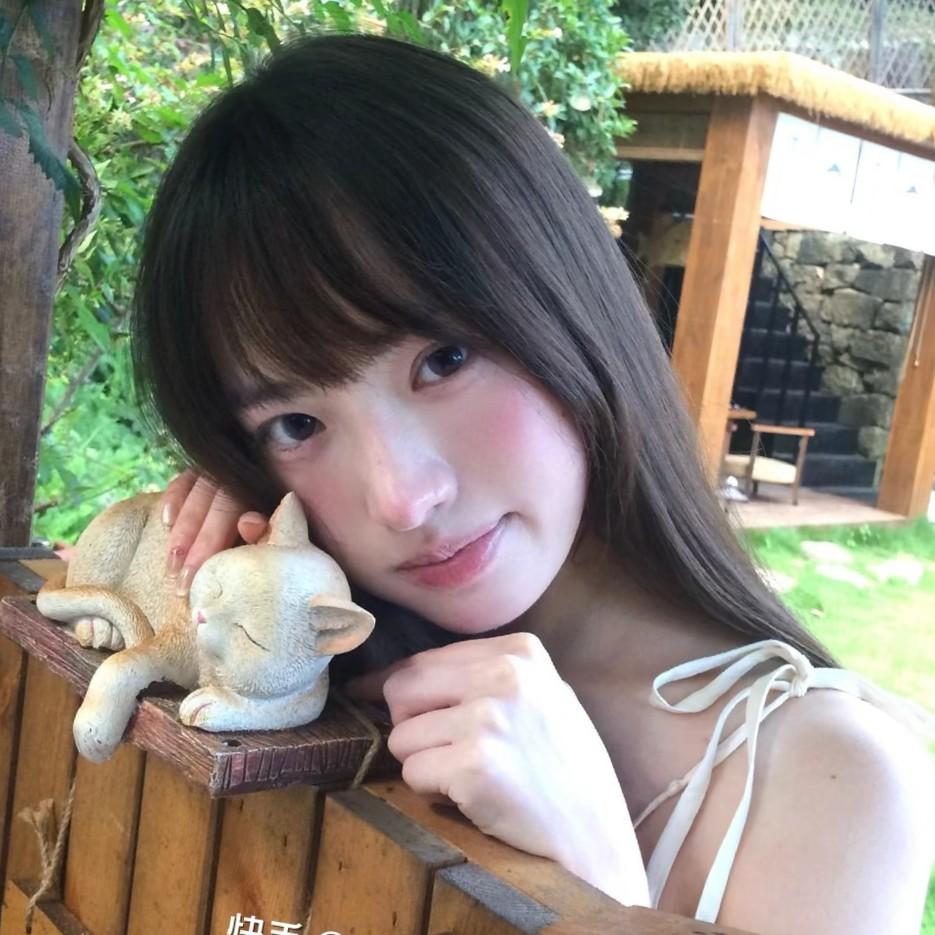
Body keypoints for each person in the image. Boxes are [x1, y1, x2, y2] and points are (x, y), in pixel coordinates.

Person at [132, 32, 935, 932]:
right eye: (296, 425)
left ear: (565, 305)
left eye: (443, 358)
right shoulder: (323, 670)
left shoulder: (832, 787)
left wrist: (593, 895)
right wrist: (221, 574)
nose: (402, 497)